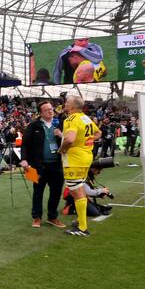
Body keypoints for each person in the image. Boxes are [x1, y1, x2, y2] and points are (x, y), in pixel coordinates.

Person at [20, 101, 67, 229]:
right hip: (38, 165)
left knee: (56, 192)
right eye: (46, 110)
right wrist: (24, 159)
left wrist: (61, 135)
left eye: (51, 109)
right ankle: (37, 217)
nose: (50, 111)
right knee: (38, 192)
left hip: (57, 164)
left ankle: (52, 216)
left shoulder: (61, 124)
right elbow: (25, 144)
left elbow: (69, 141)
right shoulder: (34, 126)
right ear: (40, 113)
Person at [59, 95, 101, 236]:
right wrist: (86, 141)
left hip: (74, 160)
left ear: (72, 106)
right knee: (79, 189)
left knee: (76, 192)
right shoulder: (85, 118)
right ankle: (81, 220)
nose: (65, 104)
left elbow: (70, 139)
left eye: (67, 102)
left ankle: (82, 227)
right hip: (85, 157)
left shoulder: (71, 119)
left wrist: (62, 149)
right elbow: (98, 133)